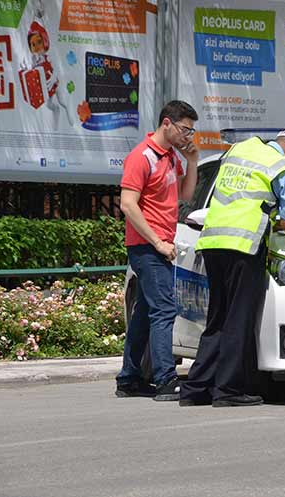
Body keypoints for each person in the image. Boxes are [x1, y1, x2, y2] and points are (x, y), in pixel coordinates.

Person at [180, 128, 285, 408]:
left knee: (218, 318)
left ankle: (196, 387)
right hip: (244, 245)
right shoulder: (284, 168)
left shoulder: (239, 150)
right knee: (239, 319)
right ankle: (229, 390)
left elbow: (241, 199)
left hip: (212, 241)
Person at [115, 100, 199, 401]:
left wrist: (192, 162)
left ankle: (129, 378)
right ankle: (165, 379)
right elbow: (128, 204)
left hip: (161, 247)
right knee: (164, 309)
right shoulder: (142, 157)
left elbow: (185, 196)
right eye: (184, 129)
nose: (188, 136)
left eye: (191, 131)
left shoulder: (171, 158)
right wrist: (157, 242)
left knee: (145, 313)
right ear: (167, 123)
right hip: (147, 247)